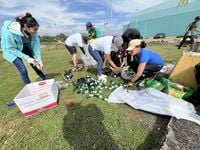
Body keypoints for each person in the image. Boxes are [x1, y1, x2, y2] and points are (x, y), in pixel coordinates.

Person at [1, 12, 47, 85]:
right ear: (25, 26)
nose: (36, 32)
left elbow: (36, 46)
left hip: (24, 46)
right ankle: (28, 87)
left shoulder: (33, 32)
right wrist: (27, 58)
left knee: (35, 63)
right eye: (34, 30)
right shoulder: (10, 32)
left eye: (37, 29)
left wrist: (39, 60)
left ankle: (45, 80)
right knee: (23, 70)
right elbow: (11, 48)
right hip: (12, 50)